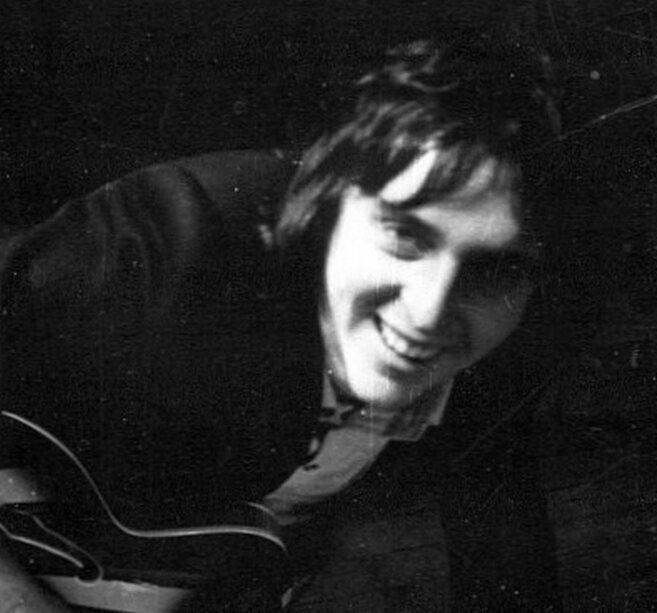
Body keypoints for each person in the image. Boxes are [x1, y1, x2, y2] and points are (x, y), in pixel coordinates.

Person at [0, 40, 565, 612]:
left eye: (492, 272)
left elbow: (501, 536)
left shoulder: (504, 342)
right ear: (328, 203)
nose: (429, 311)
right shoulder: (171, 244)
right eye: (404, 236)